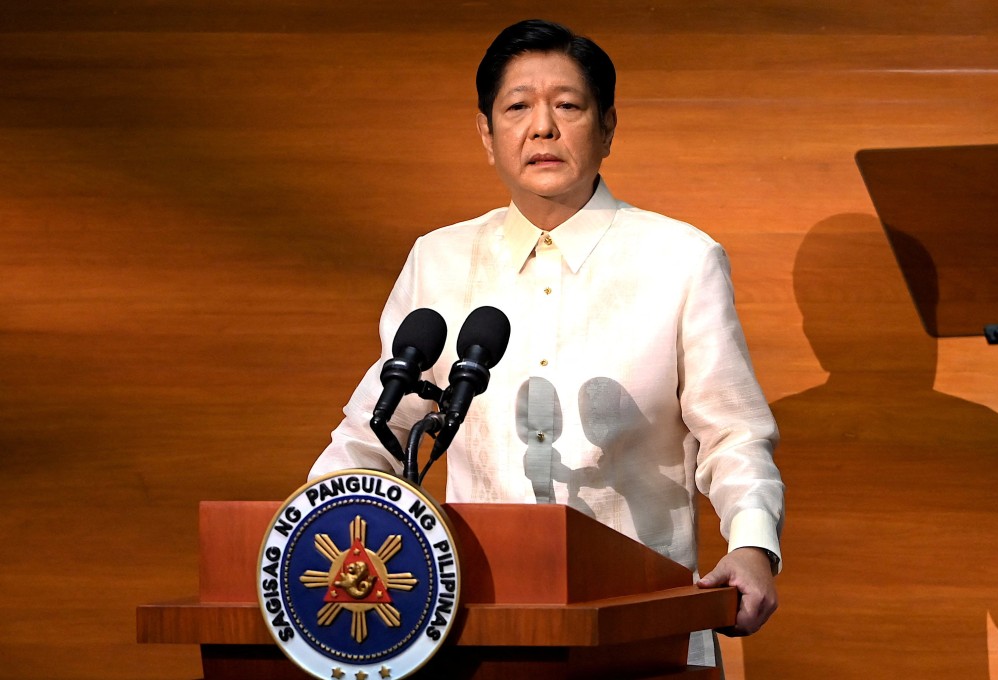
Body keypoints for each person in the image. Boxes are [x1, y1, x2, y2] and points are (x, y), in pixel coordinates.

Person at [309, 19, 784, 668]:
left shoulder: (680, 260)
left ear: (608, 125)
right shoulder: (439, 262)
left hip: (640, 636)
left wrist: (753, 546)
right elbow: (377, 437)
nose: (542, 127)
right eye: (517, 108)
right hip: (465, 636)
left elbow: (733, 435)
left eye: (567, 105)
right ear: (486, 133)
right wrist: (310, 540)